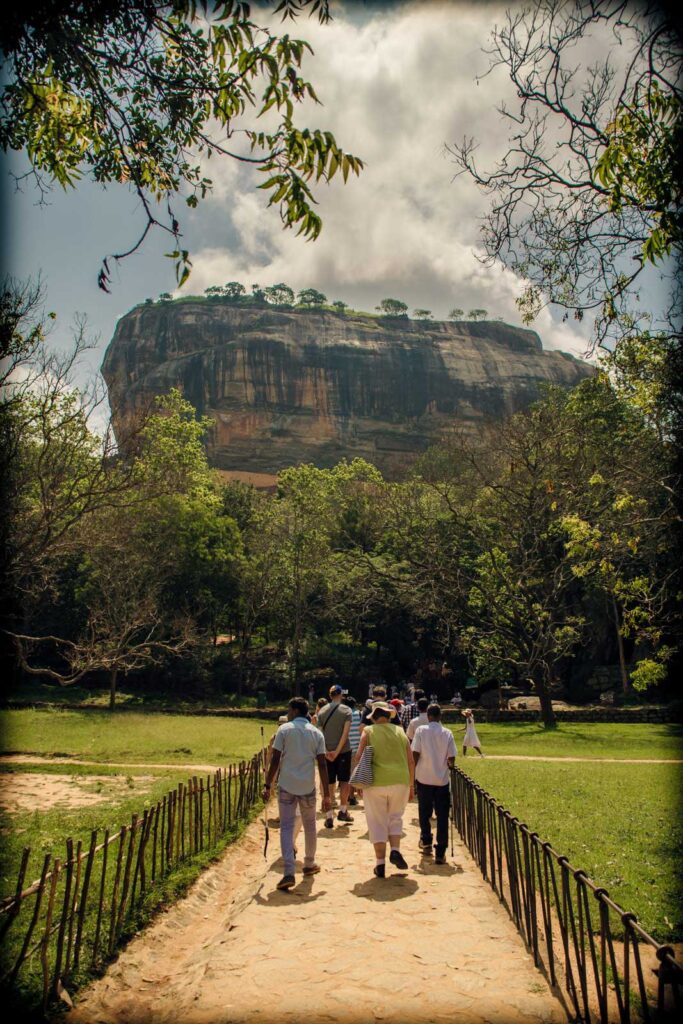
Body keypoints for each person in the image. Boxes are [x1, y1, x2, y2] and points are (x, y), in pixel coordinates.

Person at [262, 697, 331, 890]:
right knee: (309, 826)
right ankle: (309, 864)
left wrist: (267, 784)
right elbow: (323, 764)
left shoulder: (284, 730)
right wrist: (327, 795)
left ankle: (289, 871)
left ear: (294, 710)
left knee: (286, 827)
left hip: (286, 785)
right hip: (307, 786)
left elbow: (275, 759)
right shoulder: (316, 734)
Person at [355, 701, 414, 878]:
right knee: (395, 817)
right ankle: (395, 850)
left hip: (375, 782)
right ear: (389, 716)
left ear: (373, 717)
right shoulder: (400, 732)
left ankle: (380, 864)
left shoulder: (368, 731)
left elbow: (359, 756)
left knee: (377, 820)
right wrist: (411, 785)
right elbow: (411, 760)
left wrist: (359, 781)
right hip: (400, 780)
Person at [411, 704, 456, 864]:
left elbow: (415, 753)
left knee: (424, 812)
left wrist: (412, 775)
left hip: (423, 778)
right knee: (442, 815)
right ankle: (441, 849)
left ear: (428, 716)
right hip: (442, 780)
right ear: (440, 716)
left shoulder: (421, 731)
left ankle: (426, 840)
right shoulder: (447, 733)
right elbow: (451, 758)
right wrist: (447, 765)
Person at [316, 684, 354, 826]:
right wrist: (337, 751)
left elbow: (319, 733)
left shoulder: (322, 711)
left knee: (329, 782)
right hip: (343, 751)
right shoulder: (346, 710)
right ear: (341, 695)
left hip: (326, 752)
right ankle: (343, 810)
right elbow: (346, 733)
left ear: (330, 695)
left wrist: (326, 750)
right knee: (344, 781)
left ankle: (329, 814)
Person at [343, 694, 363, 806]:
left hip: (345, 747)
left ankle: (346, 796)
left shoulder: (344, 715)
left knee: (346, 774)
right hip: (356, 747)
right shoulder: (359, 714)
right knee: (353, 774)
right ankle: (351, 797)